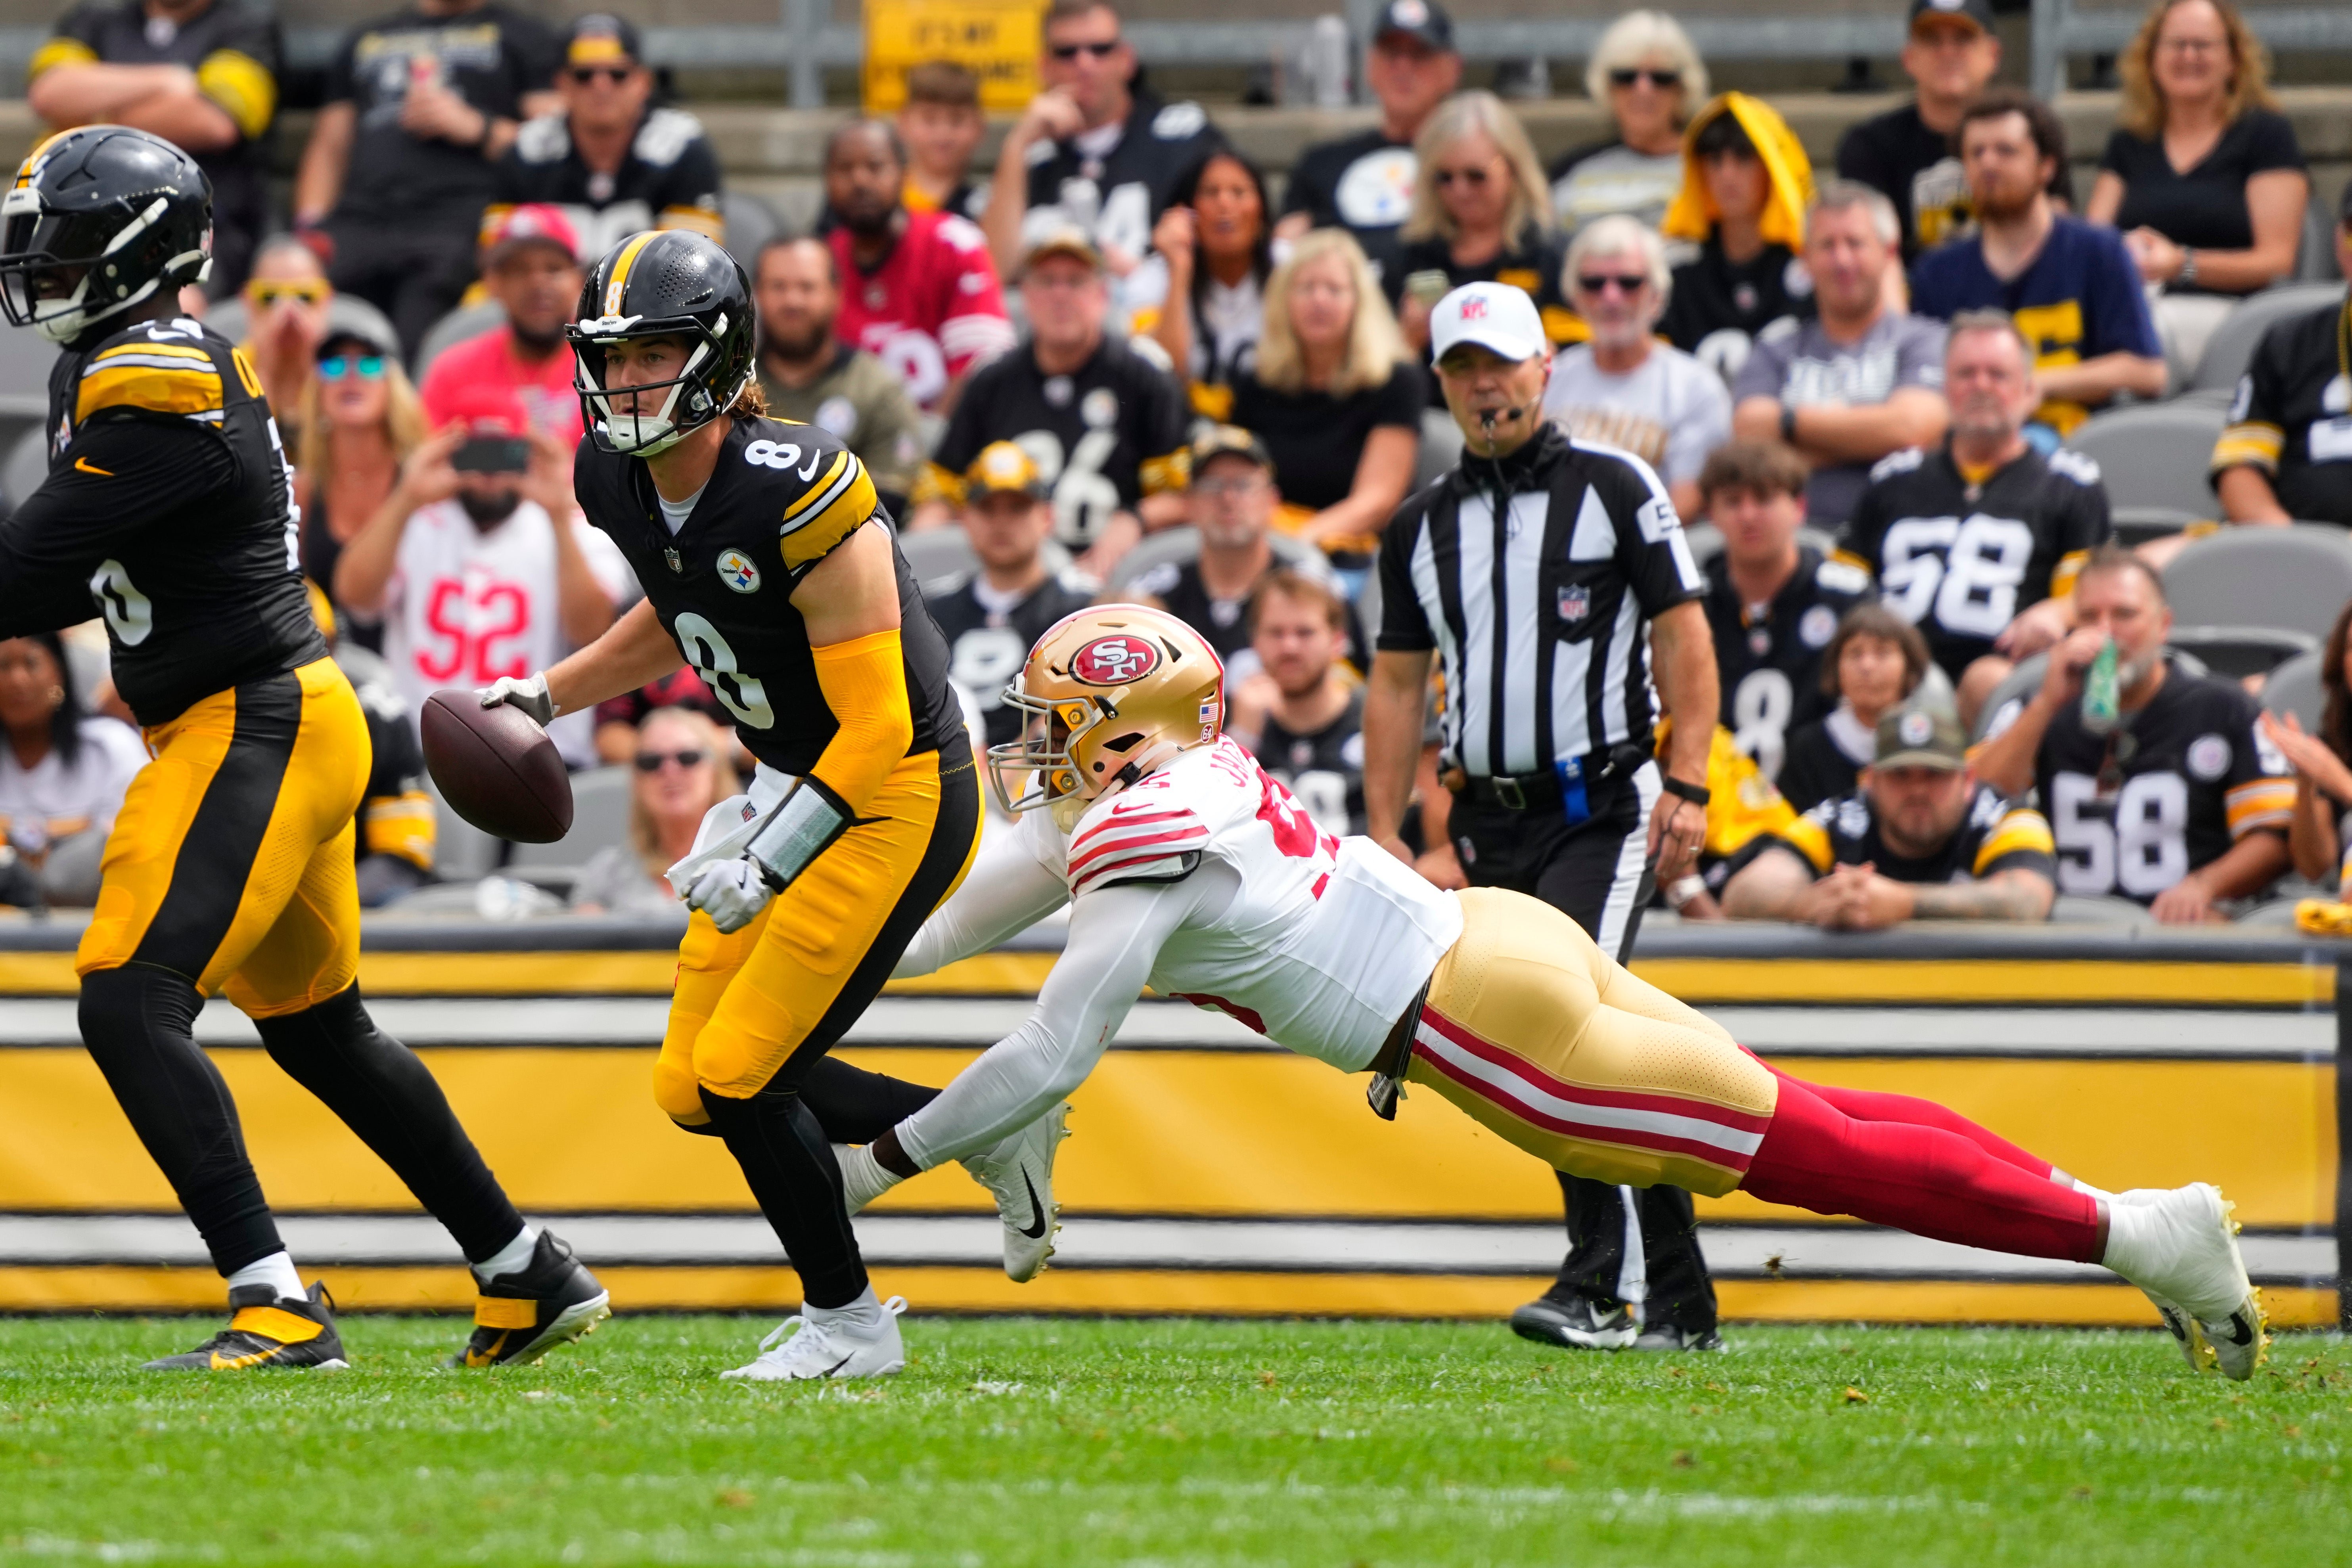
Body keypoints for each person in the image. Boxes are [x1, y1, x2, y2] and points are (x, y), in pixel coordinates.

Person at [839, 604, 2271, 1384]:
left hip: (1490, 1027)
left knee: (1816, 1153)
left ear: (1118, 739)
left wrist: (881, 1160)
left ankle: (2128, 1231)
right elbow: (949, 923)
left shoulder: (1134, 836)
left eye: (1056, 727)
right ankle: (2129, 1219)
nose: (1035, 754)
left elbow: (1049, 1051)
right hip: (1500, 939)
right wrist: (818, 920)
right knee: (1818, 1117)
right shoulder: (1175, 787)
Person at [0, 124, 607, 1372]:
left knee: (127, 995)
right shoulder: (124, 363)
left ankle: (274, 1297)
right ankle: (522, 1266)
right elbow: (79, 569)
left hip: (253, 717)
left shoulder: (153, 373)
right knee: (323, 1028)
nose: (38, 266)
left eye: (56, 240)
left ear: (131, 247)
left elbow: (24, 572)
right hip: (271, 708)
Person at [481, 228, 1072, 1381]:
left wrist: (768, 856)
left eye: (650, 355)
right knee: (689, 1084)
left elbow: (877, 729)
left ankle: (850, 1325)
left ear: (713, 357)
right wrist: (547, 693)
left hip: (897, 789)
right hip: (789, 776)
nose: (623, 383)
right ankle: (988, 1124)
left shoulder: (806, 486)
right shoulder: (611, 475)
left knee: (744, 1067)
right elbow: (680, 605)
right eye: (609, 358)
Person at [1360, 282, 1725, 1356]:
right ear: (1440, 384)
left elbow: (1683, 634)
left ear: (1544, 367)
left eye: (1503, 363)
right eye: (1465, 368)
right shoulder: (1419, 526)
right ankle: (1679, 1300)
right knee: (1601, 1043)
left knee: (1553, 1030)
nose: (1487, 385)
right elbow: (1392, 683)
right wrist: (1385, 824)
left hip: (1600, 807)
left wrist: (1691, 781)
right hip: (1484, 824)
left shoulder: (1616, 486)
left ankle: (1595, 1284)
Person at [1973, 546, 2293, 920]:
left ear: (2164, 625)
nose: (2106, 631)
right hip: (2066, 929)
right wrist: (2046, 705)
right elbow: (1978, 800)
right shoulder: (2035, 706)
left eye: (2124, 614)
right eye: (2089, 616)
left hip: (2180, 930)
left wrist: (2206, 885)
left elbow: (2276, 834)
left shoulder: (2223, 707)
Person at [333, 381, 628, 769]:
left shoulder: (572, 528)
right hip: (425, 749)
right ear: (451, 453)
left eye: (502, 453)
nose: (490, 473)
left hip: (537, 749)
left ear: (527, 454)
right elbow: (354, 599)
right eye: (478, 453)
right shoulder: (417, 520)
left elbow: (590, 630)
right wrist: (406, 496)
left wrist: (559, 515)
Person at [1842, 310, 2112, 730]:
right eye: (1966, 373)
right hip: (1886, 675)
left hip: (2001, 678)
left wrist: (2056, 614)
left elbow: (2094, 603)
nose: (1980, 386)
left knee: (1985, 681)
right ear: (1944, 387)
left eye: (1997, 375)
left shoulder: (2070, 484)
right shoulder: (1891, 479)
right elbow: (1842, 589)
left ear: (2028, 391)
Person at [295, 0, 563, 363]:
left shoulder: (523, 36)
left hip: (456, 223)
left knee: (414, 341)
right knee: (309, 317)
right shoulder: (367, 37)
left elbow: (557, 146)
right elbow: (329, 147)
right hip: (359, 220)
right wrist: (309, 228)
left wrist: (477, 127)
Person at [917, 229, 1192, 576]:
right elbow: (941, 491)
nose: (1060, 295)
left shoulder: (1144, 377)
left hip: (1114, 578)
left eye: (1076, 281)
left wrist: (1135, 520)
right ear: (1026, 294)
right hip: (1009, 575)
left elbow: (1187, 498)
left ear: (1102, 294)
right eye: (1047, 281)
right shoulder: (991, 380)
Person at [1911, 91, 2167, 439]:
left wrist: (2033, 383)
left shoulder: (2100, 251)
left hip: (2079, 447)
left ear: (2046, 167)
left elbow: (2148, 372)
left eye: (2006, 151)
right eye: (1976, 153)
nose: (1988, 163)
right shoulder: (1936, 272)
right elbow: (1921, 385)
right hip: (1969, 446)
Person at [2086, 0, 2306, 366]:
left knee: (2140, 336)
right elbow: (2092, 242)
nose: (2189, 56)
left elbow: (2278, 262)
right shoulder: (2130, 140)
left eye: (2203, 45)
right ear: (2151, 58)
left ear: (2233, 60)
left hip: (2232, 316)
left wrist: (2182, 264)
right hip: (2138, 301)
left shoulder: (2266, 134)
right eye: (2176, 44)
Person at [1721, 701, 2057, 926]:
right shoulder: (1844, 819)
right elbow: (1744, 894)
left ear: (1968, 779)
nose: (1918, 790)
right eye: (1900, 775)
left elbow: (2028, 899)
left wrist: (1903, 904)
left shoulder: (2006, 819)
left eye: (1934, 774)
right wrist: (1809, 905)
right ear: (1871, 780)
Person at [1732, 182, 1950, 527]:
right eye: (1827, 245)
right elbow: (1749, 435)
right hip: (1797, 542)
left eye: (1855, 243)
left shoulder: (1927, 340)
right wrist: (1873, 436)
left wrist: (1789, 424)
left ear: (1889, 253)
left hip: (1901, 532)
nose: (1842, 260)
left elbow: (1911, 429)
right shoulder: (1775, 349)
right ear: (1805, 258)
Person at [28, 0, 280, 295]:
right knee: (25, 289)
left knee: (172, 304)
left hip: (196, 226)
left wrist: (90, 114)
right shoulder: (95, 17)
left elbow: (214, 122)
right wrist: (168, 80)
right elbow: (49, 93)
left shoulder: (247, 25)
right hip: (80, 216)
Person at [979, 0, 1224, 281]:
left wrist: (1145, 277)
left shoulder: (1182, 137)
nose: (1084, 64)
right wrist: (1017, 145)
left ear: (1127, 59)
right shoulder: (1029, 157)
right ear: (1044, 67)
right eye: (1067, 52)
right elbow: (993, 273)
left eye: (1101, 49)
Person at [1226, 230, 1425, 563]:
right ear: (1283, 300)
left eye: (1335, 289)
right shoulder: (1255, 382)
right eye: (1306, 288)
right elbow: (1235, 479)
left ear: (1360, 302)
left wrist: (1299, 545)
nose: (1319, 300)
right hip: (1264, 550)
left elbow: (1378, 500)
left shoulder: (1397, 381)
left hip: (1357, 558)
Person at [1698, 440, 1874, 784]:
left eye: (1764, 499)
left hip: (1827, 790)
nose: (1748, 516)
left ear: (1800, 507)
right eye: (1733, 502)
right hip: (1716, 799)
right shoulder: (1692, 601)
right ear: (1711, 515)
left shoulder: (1848, 595)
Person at [490, 12, 725, 266]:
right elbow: (496, 263)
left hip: (649, 303)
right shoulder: (528, 150)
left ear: (643, 83)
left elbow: (693, 263)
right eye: (584, 75)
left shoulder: (681, 147)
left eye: (617, 74)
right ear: (561, 84)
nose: (601, 87)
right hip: (546, 303)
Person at [1837, 0, 2064, 260]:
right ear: (1909, 58)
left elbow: (2057, 235)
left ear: (1994, 55)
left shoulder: (2034, 134)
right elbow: (1867, 254)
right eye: (1932, 40)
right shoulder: (1869, 146)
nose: (1948, 53)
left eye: (1963, 39)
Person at [1542, 216, 1731, 523]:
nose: (1611, 297)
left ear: (1657, 297)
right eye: (1594, 283)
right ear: (1575, 298)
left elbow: (1688, 501)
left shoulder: (1696, 387)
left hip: (1648, 554)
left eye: (1629, 283)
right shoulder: (1550, 378)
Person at [823, 119, 1014, 415]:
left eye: (875, 167)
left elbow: (981, 369)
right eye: (845, 170)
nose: (860, 181)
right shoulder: (819, 262)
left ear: (904, 173)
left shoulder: (955, 244)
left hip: (945, 443)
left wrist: (926, 443)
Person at [1275, 0, 1461, 301]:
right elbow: (1286, 249)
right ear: (1370, 64)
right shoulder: (1321, 163)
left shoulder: (1466, 164)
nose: (1403, 67)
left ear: (1452, 69)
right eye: (1391, 53)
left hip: (1435, 314)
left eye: (1420, 54)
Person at [925, 441, 1091, 752]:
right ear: (965, 518)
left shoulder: (1083, 610)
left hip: (1043, 780)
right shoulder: (928, 609)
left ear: (1047, 517)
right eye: (987, 508)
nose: (1001, 523)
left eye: (1017, 507)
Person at [1395, 92, 1575, 368]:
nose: (1460, 190)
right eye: (1445, 177)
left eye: (1476, 176)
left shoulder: (1550, 253)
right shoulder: (1417, 253)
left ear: (1513, 170)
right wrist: (1406, 338)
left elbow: (1574, 359)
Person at [2209, 188, 2352, 527]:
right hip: (2292, 547)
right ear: (2339, 243)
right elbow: (2240, 470)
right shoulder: (2290, 342)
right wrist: (2291, 546)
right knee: (2138, 569)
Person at [751, 237, 924, 512]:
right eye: (778, 287)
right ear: (757, 296)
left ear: (837, 294)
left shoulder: (878, 389)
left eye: (807, 287)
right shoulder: (731, 386)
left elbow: (890, 500)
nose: (792, 300)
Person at [1658, 92, 1817, 382]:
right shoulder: (1675, 269)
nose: (1727, 175)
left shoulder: (1816, 263)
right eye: (1715, 160)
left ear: (1774, 167)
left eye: (1744, 158)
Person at [294, 317, 427, 636]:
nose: (351, 376)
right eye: (335, 366)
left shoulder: (422, 483)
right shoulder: (301, 491)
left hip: (413, 662)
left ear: (393, 385)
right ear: (318, 389)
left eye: (368, 365)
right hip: (327, 661)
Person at [1130, 426, 1298, 673]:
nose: (1228, 498)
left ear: (1272, 501)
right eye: (1212, 485)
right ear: (1189, 503)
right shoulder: (1151, 596)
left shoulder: (1310, 591)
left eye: (1243, 485)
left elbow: (1349, 693)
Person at [418, 203, 585, 446]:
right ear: (493, 283)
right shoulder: (453, 372)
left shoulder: (608, 365)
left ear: (580, 280)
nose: (537, 283)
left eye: (554, 269)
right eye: (520, 271)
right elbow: (426, 468)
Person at [0, 630, 146, 907]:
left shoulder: (110, 747)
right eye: (3, 666)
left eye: (31, 663)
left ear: (60, 674)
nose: (17, 680)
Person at [1227, 568, 1366, 837]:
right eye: (1276, 633)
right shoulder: (1233, 723)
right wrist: (1242, 739)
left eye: (1305, 633)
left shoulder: (1374, 719)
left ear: (1338, 641)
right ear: (1255, 641)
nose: (1289, 647)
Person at [572, 706, 741, 920]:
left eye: (688, 758)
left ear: (716, 770)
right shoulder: (605, 874)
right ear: (637, 780)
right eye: (651, 762)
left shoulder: (753, 863)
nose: (670, 771)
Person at [1132, 149, 1274, 402]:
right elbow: (1161, 377)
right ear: (1187, 212)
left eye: (1239, 193)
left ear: (1261, 209)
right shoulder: (1156, 276)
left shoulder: (1290, 268)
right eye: (1210, 193)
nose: (1225, 204)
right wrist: (1178, 268)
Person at [1548, 11, 1703, 240]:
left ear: (1683, 88)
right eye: (1626, 76)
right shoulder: (1572, 168)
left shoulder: (1709, 167)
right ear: (1606, 86)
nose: (1643, 89)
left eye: (1661, 78)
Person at [1779, 603, 1932, 813]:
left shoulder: (1933, 740)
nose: (1867, 666)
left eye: (1882, 653)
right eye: (1855, 654)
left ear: (1910, 665)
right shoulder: (1807, 749)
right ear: (1836, 668)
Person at [2262, 601, 2352, 893]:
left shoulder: (2334, 768)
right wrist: (2307, 785)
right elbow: (2315, 867)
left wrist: (2342, 783)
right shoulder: (2336, 742)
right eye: (2351, 647)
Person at [235, 236, 335, 441]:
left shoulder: (347, 371)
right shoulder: (228, 373)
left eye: (306, 297)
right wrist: (265, 369)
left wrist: (311, 362)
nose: (289, 314)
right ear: (248, 302)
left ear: (327, 301)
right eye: (269, 297)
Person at [897, 60, 989, 223]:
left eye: (957, 120)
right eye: (929, 120)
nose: (943, 134)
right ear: (904, 122)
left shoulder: (988, 211)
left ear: (979, 126)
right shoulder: (885, 204)